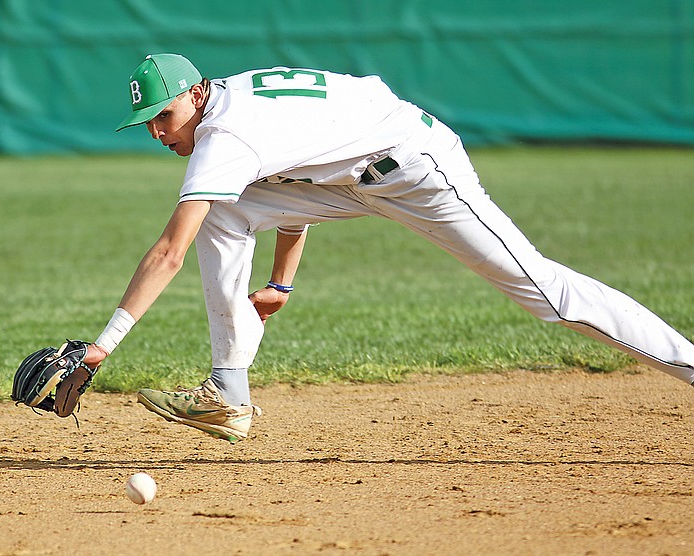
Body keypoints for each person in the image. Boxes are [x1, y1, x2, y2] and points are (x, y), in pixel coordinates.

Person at [82, 53, 694, 443]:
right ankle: (229, 393)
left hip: (420, 173)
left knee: (546, 294)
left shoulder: (226, 136)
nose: (159, 133)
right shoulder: (233, 102)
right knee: (226, 210)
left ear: (192, 94)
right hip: (356, 179)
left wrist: (97, 350)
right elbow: (301, 169)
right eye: (148, 125)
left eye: (163, 117)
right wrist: (283, 281)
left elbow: (168, 252)